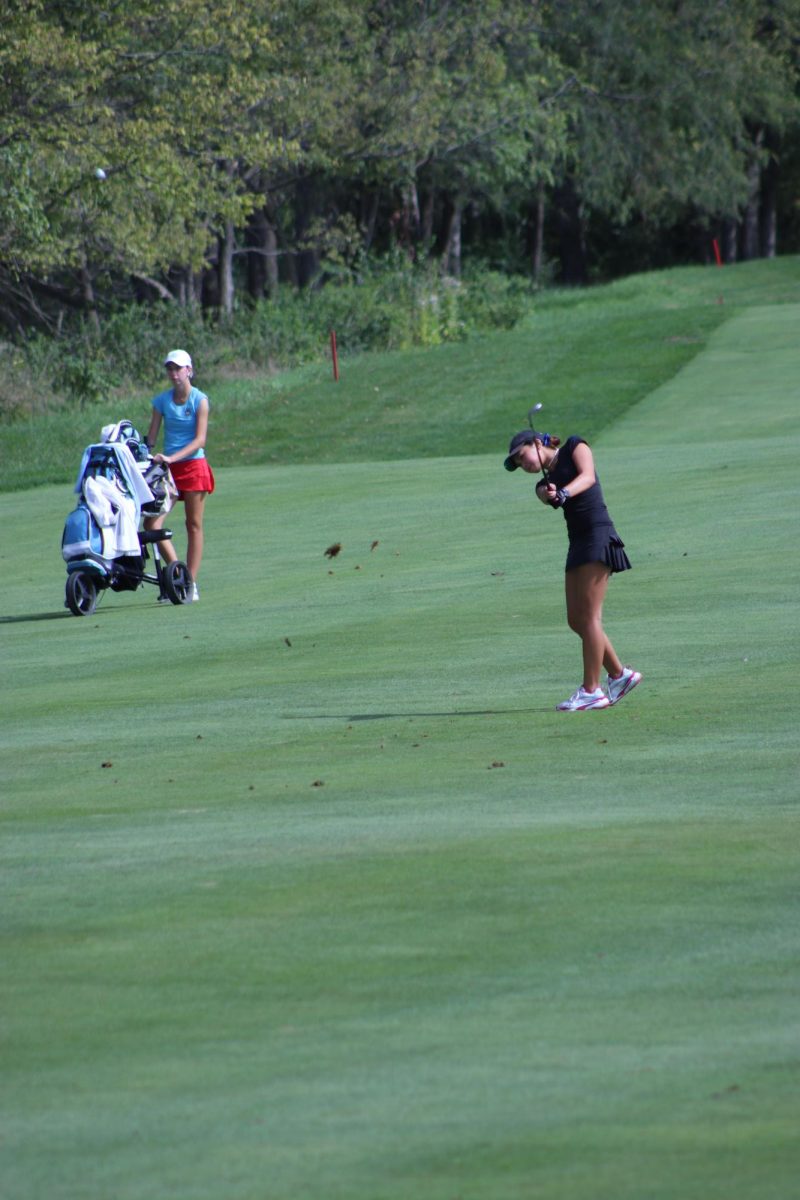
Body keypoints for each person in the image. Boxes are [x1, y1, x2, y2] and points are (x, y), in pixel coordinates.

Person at [504, 425, 641, 711]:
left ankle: (591, 691)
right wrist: (551, 493)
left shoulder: (575, 446)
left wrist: (564, 492)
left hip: (598, 534)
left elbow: (588, 477)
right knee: (576, 620)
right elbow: (545, 495)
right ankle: (619, 675)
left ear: (537, 443)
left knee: (590, 617)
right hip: (578, 543)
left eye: (522, 455)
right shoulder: (544, 482)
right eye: (518, 463)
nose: (523, 464)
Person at [144, 349, 215, 601]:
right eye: (170, 369)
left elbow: (200, 440)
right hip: (168, 471)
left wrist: (173, 457)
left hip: (193, 467)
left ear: (189, 370)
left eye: (178, 368)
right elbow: (151, 439)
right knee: (152, 524)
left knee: (193, 525)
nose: (174, 373)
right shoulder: (161, 402)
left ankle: (190, 584)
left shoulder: (200, 400)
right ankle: (179, 577)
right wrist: (143, 452)